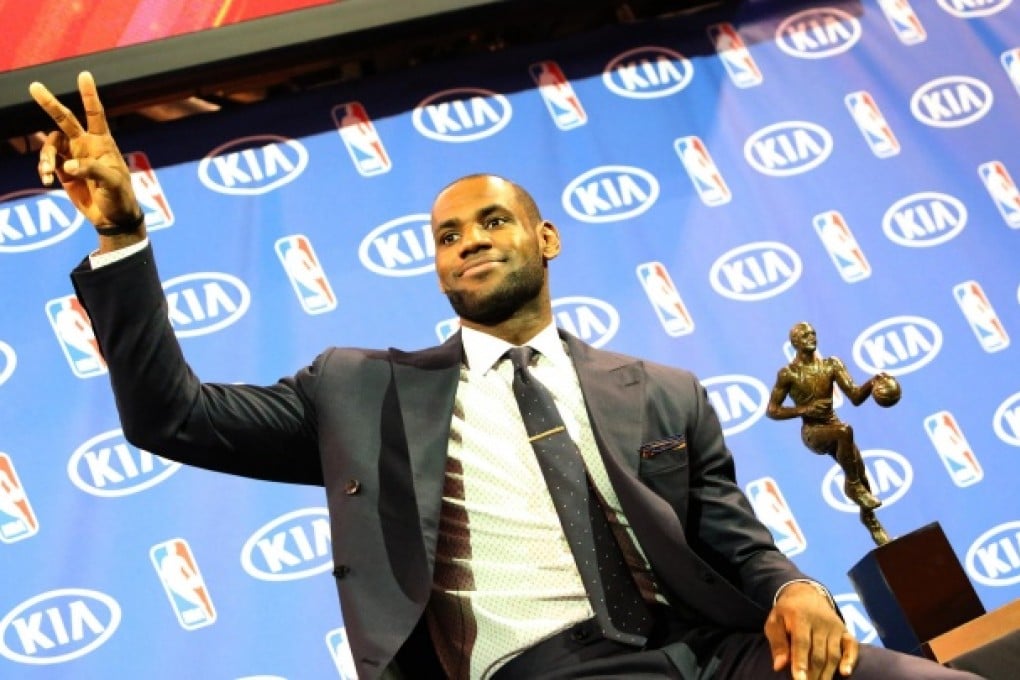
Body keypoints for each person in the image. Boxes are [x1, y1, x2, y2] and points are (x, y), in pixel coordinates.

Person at [28, 72, 977, 680]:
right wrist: (121, 234)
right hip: (541, 668)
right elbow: (171, 417)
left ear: (545, 239)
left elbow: (737, 543)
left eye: (490, 221)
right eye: (446, 236)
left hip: (716, 654)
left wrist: (794, 591)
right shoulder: (361, 389)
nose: (468, 241)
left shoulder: (662, 390)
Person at [766, 323, 890, 546]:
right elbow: (772, 410)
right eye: (804, 335)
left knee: (860, 471)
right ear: (795, 342)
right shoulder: (789, 374)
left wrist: (872, 383)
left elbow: (854, 396)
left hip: (834, 427)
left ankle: (871, 522)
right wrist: (803, 410)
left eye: (813, 333)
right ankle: (852, 486)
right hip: (813, 432)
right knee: (845, 433)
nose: (811, 337)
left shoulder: (831, 365)